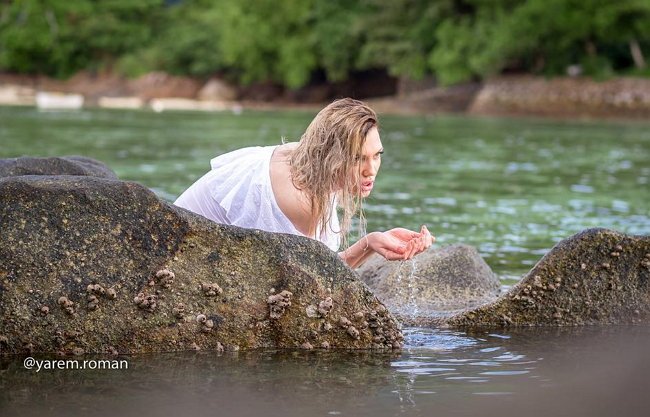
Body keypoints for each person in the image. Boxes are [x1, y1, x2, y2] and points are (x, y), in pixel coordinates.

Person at [174, 98, 434, 268]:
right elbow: (317, 279)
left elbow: (315, 269)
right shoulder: (299, 200)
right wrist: (369, 244)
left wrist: (373, 242)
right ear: (332, 157)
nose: (371, 170)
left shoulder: (306, 156)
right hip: (176, 259)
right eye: (358, 158)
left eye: (377, 155)